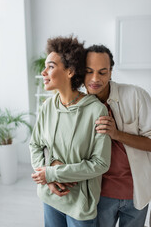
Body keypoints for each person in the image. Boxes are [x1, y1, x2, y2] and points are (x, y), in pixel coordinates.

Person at [29, 36, 111, 227]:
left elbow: (100, 163)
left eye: (50, 66)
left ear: (70, 71)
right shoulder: (48, 106)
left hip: (80, 205)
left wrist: (53, 173)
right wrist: (48, 176)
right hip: (50, 196)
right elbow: (35, 144)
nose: (43, 72)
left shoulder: (95, 110)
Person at [84, 44, 151, 227]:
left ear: (111, 72)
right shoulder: (78, 106)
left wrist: (117, 134)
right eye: (89, 71)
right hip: (99, 195)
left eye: (102, 72)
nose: (95, 79)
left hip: (136, 193)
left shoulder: (136, 95)